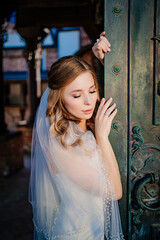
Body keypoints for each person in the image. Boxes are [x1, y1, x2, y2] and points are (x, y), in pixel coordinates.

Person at [29, 32, 124, 240]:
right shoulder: (59, 143)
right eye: (76, 95)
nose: (89, 102)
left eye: (92, 90)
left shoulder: (85, 122)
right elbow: (114, 192)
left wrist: (101, 58)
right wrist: (102, 138)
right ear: (59, 98)